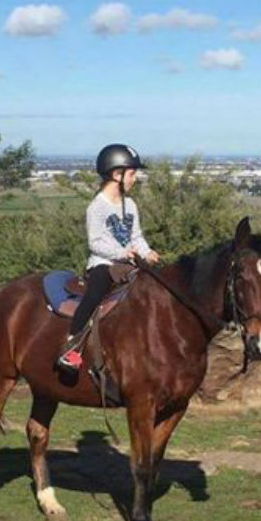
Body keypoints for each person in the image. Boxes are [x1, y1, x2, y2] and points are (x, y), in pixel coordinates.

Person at [57, 143, 160, 372]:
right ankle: (72, 347)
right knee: (94, 295)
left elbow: (137, 236)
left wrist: (147, 252)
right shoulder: (97, 207)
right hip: (103, 264)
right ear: (117, 174)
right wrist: (122, 253)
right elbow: (96, 243)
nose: (135, 179)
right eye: (132, 174)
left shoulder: (130, 205)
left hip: (129, 265)